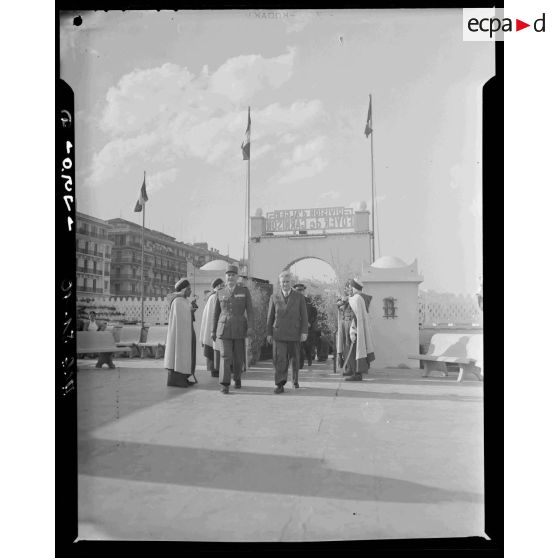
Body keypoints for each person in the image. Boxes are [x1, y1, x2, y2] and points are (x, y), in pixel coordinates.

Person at [212, 265, 254, 394]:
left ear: (237, 277)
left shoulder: (244, 291)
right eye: (228, 275)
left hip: (239, 328)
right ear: (225, 277)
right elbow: (215, 313)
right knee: (225, 356)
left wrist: (250, 327)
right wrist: (213, 331)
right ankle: (225, 384)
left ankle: (237, 378)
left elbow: (250, 311)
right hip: (224, 329)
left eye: (233, 275)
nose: (230, 277)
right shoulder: (219, 292)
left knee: (238, 357)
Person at [267, 271, 308, 393]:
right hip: (278, 333)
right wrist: (269, 333)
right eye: (283, 282)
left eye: (287, 282)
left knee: (295, 359)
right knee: (280, 359)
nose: (285, 284)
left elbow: (304, 316)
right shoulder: (274, 297)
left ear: (291, 283)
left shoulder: (299, 297)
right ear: (280, 283)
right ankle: (280, 384)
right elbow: (270, 317)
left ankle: (295, 380)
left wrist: (304, 332)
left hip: (294, 333)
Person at [164, 278, 197, 387]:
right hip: (180, 336)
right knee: (178, 355)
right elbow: (181, 319)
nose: (190, 291)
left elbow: (186, 316)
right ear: (183, 290)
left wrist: (191, 310)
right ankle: (177, 380)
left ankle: (184, 377)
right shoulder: (178, 301)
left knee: (184, 355)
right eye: (189, 289)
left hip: (185, 335)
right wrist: (190, 310)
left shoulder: (183, 300)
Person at [342, 278, 375, 381]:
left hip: (354, 328)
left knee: (355, 350)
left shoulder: (357, 299)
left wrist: (354, 330)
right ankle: (352, 369)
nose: (350, 289)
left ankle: (357, 373)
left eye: (351, 287)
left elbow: (357, 317)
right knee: (350, 350)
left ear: (354, 287)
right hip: (352, 327)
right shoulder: (355, 298)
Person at [199, 278, 224, 377]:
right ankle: (215, 370)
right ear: (218, 286)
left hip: (212, 328)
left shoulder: (211, 297)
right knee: (215, 349)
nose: (224, 287)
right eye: (222, 285)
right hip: (214, 328)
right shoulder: (214, 297)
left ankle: (215, 370)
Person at [293, 283, 318, 368]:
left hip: (307, 327)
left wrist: (310, 322)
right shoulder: (292, 300)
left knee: (307, 345)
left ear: (304, 291)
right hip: (296, 326)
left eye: (302, 290)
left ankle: (310, 358)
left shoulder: (308, 301)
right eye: (298, 290)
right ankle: (300, 364)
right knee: (299, 346)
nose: (300, 291)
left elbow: (314, 313)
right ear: (295, 290)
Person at [336, 281, 354, 372]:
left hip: (351, 324)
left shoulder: (356, 298)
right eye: (347, 288)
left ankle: (351, 367)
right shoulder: (343, 298)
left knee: (349, 345)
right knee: (343, 346)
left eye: (350, 288)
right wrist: (344, 300)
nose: (348, 290)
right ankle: (346, 365)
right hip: (343, 324)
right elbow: (338, 304)